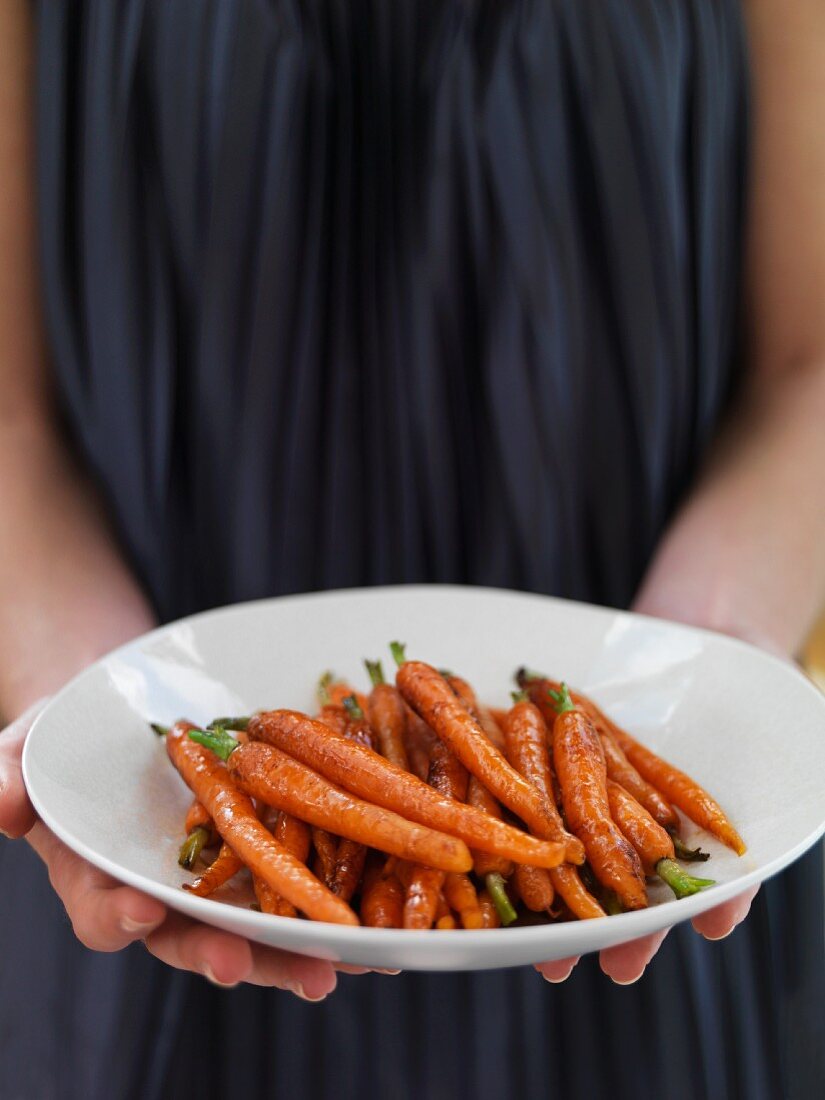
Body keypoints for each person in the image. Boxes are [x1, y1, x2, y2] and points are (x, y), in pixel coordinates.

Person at [0, 1, 823, 1097]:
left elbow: (807, 366)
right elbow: (13, 418)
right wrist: (88, 706)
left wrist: (704, 657)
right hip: (157, 878)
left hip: (657, 933)